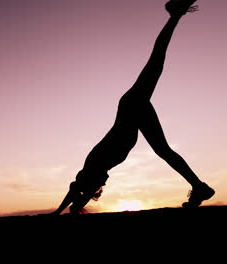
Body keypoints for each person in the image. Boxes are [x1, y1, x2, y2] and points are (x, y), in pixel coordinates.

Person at [51, 0, 214, 215]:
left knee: (156, 61)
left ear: (86, 181)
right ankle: (199, 187)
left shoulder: (94, 164)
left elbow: (77, 189)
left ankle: (175, 15)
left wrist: (59, 211)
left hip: (131, 105)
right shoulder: (101, 167)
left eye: (100, 184)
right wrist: (75, 207)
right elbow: (80, 191)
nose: (106, 182)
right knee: (163, 150)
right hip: (135, 112)